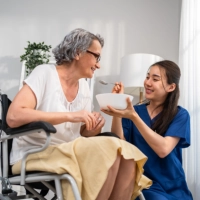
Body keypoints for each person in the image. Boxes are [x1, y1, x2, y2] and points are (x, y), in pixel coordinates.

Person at [7, 28, 151, 200]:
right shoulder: (44, 73)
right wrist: (72, 115)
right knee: (111, 148)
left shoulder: (83, 87)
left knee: (126, 155)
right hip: (34, 153)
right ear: (77, 52)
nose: (98, 64)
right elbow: (14, 117)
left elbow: (84, 134)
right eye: (96, 56)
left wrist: (93, 126)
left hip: (70, 150)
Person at [102, 60, 193, 200]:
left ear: (171, 87)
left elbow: (163, 149)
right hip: (143, 183)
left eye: (155, 79)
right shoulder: (134, 111)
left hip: (172, 185)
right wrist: (118, 109)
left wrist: (134, 117)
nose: (148, 83)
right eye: (147, 77)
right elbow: (120, 142)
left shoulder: (180, 115)